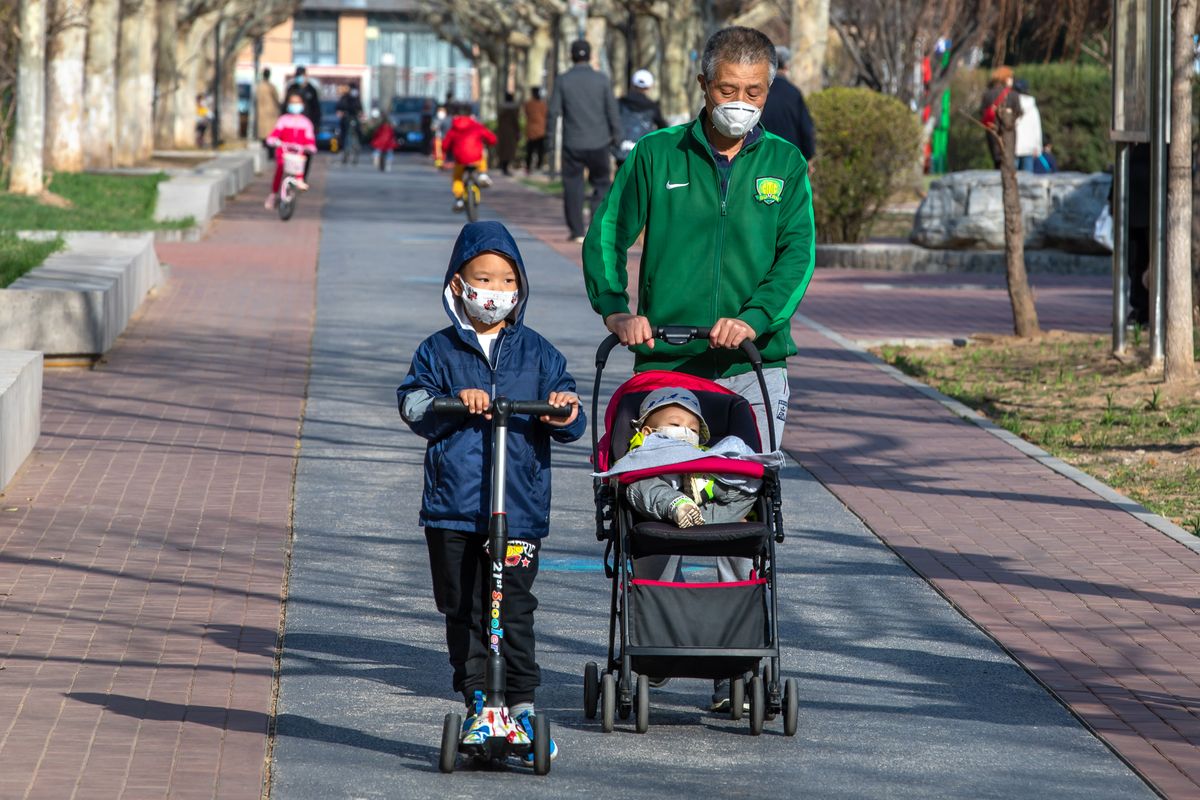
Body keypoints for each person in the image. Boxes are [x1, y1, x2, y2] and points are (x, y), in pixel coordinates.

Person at [582, 27, 815, 710]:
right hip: (668, 371)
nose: (739, 104)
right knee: (653, 511)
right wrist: (615, 310)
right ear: (703, 88)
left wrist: (758, 316)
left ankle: (737, 658)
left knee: (742, 515)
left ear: (766, 91)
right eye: (727, 91)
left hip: (751, 365)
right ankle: (650, 650)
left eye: (753, 92)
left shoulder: (786, 165)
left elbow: (796, 256)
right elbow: (607, 233)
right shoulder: (657, 156)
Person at [397, 220, 585, 761]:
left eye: (506, 281)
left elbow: (570, 410)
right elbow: (412, 403)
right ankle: (478, 694)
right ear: (459, 283)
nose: (495, 291)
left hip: (518, 506)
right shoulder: (438, 351)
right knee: (461, 604)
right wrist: (452, 399)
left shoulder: (538, 352)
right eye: (484, 278)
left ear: (520, 288)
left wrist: (563, 412)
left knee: (512, 606)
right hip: (454, 508)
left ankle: (520, 701)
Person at [548, 39, 622, 243]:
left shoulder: (563, 80)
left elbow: (553, 113)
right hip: (599, 142)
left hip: (573, 143)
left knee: (573, 186)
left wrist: (550, 144)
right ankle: (596, 227)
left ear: (571, 56)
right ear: (590, 56)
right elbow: (611, 111)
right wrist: (617, 136)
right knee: (601, 183)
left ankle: (577, 230)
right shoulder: (602, 80)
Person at [759, 46, 816, 160]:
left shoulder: (758, 91)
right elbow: (806, 130)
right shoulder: (793, 93)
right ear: (786, 66)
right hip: (790, 158)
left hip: (761, 155)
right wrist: (807, 156)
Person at [263, 91, 317, 209]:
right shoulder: (283, 120)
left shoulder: (306, 122)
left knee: (299, 164)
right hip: (283, 151)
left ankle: (299, 180)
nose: (295, 105)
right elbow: (275, 134)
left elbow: (310, 139)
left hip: (298, 152)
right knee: (280, 168)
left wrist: (310, 147)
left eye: (297, 102)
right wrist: (273, 140)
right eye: (292, 102)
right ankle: (273, 194)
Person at [441, 103, 497, 213]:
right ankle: (483, 174)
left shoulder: (454, 128)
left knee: (457, 177)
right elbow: (491, 138)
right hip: (476, 158)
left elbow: (445, 145)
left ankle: (459, 199)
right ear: (470, 114)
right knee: (482, 155)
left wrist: (446, 152)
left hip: (460, 160)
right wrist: (491, 143)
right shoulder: (477, 126)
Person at [613, 69, 668, 168]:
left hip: (622, 151)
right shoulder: (652, 107)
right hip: (643, 152)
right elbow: (664, 128)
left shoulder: (620, 103)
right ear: (649, 87)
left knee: (621, 180)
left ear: (632, 85)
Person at [980, 66, 1022, 169]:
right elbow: (1018, 112)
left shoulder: (987, 94)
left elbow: (982, 112)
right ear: (1005, 78)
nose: (1012, 80)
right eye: (1011, 77)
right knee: (1009, 162)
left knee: (997, 161)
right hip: (1008, 132)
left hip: (992, 131)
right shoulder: (1013, 95)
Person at [284, 66, 321, 180]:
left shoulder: (311, 90)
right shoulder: (291, 88)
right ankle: (290, 175)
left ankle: (302, 176)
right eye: (298, 75)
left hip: (307, 126)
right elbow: (285, 106)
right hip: (292, 125)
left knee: (306, 152)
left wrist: (316, 126)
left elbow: (317, 109)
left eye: (302, 75)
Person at [1013, 79, 1043, 172]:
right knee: (1028, 181)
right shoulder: (1033, 108)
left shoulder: (1012, 104)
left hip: (1014, 146)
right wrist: (1038, 148)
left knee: (1012, 178)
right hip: (1029, 148)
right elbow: (1037, 129)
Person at [335, 85, 364, 159]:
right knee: (346, 135)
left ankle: (355, 149)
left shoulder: (356, 99)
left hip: (354, 118)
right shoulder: (345, 98)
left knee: (356, 133)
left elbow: (360, 109)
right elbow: (339, 108)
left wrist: (361, 115)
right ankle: (346, 152)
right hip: (347, 119)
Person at [523, 87, 548, 173]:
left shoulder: (529, 104)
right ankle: (538, 166)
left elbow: (526, 113)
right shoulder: (542, 104)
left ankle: (529, 166)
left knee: (530, 150)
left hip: (532, 130)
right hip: (540, 130)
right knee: (539, 150)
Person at [255, 68, 280, 153]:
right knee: (270, 132)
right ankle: (270, 150)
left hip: (262, 111)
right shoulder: (270, 86)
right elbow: (276, 98)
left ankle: (266, 146)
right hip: (270, 111)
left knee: (264, 131)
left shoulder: (259, 86)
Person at [496, 91, 521, 175]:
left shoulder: (501, 108)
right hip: (510, 133)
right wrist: (518, 131)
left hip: (503, 132)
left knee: (504, 151)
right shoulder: (514, 109)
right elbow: (515, 122)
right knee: (508, 151)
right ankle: (505, 167)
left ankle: (504, 166)